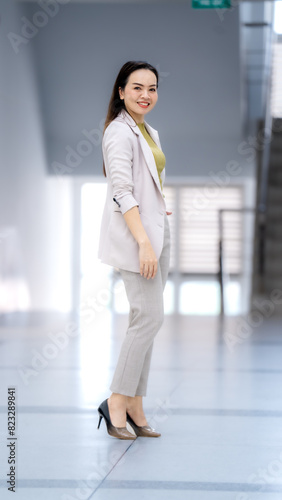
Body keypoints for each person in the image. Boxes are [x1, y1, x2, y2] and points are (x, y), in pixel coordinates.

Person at [97, 61, 171, 440]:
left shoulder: (147, 130)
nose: (146, 95)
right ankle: (116, 401)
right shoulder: (118, 132)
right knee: (149, 319)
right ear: (121, 92)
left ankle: (136, 404)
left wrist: (159, 209)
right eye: (138, 87)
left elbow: (147, 182)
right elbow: (120, 190)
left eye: (153, 88)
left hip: (158, 230)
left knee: (146, 320)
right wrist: (144, 242)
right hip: (138, 238)